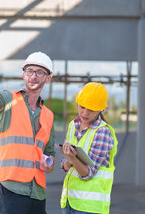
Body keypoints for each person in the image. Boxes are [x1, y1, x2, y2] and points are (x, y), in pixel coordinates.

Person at [0, 45, 56, 214]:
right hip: (11, 189)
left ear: (48, 78)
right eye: (29, 71)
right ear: (24, 74)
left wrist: (48, 163)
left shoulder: (48, 115)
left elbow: (50, 156)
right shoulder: (7, 100)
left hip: (38, 193)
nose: (33, 76)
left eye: (40, 72)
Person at [60, 82, 118, 214]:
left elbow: (88, 173)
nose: (85, 113)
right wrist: (68, 160)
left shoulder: (102, 132)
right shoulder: (73, 126)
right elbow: (64, 167)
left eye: (91, 109)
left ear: (100, 110)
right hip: (69, 202)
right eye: (82, 107)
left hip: (90, 207)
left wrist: (73, 159)